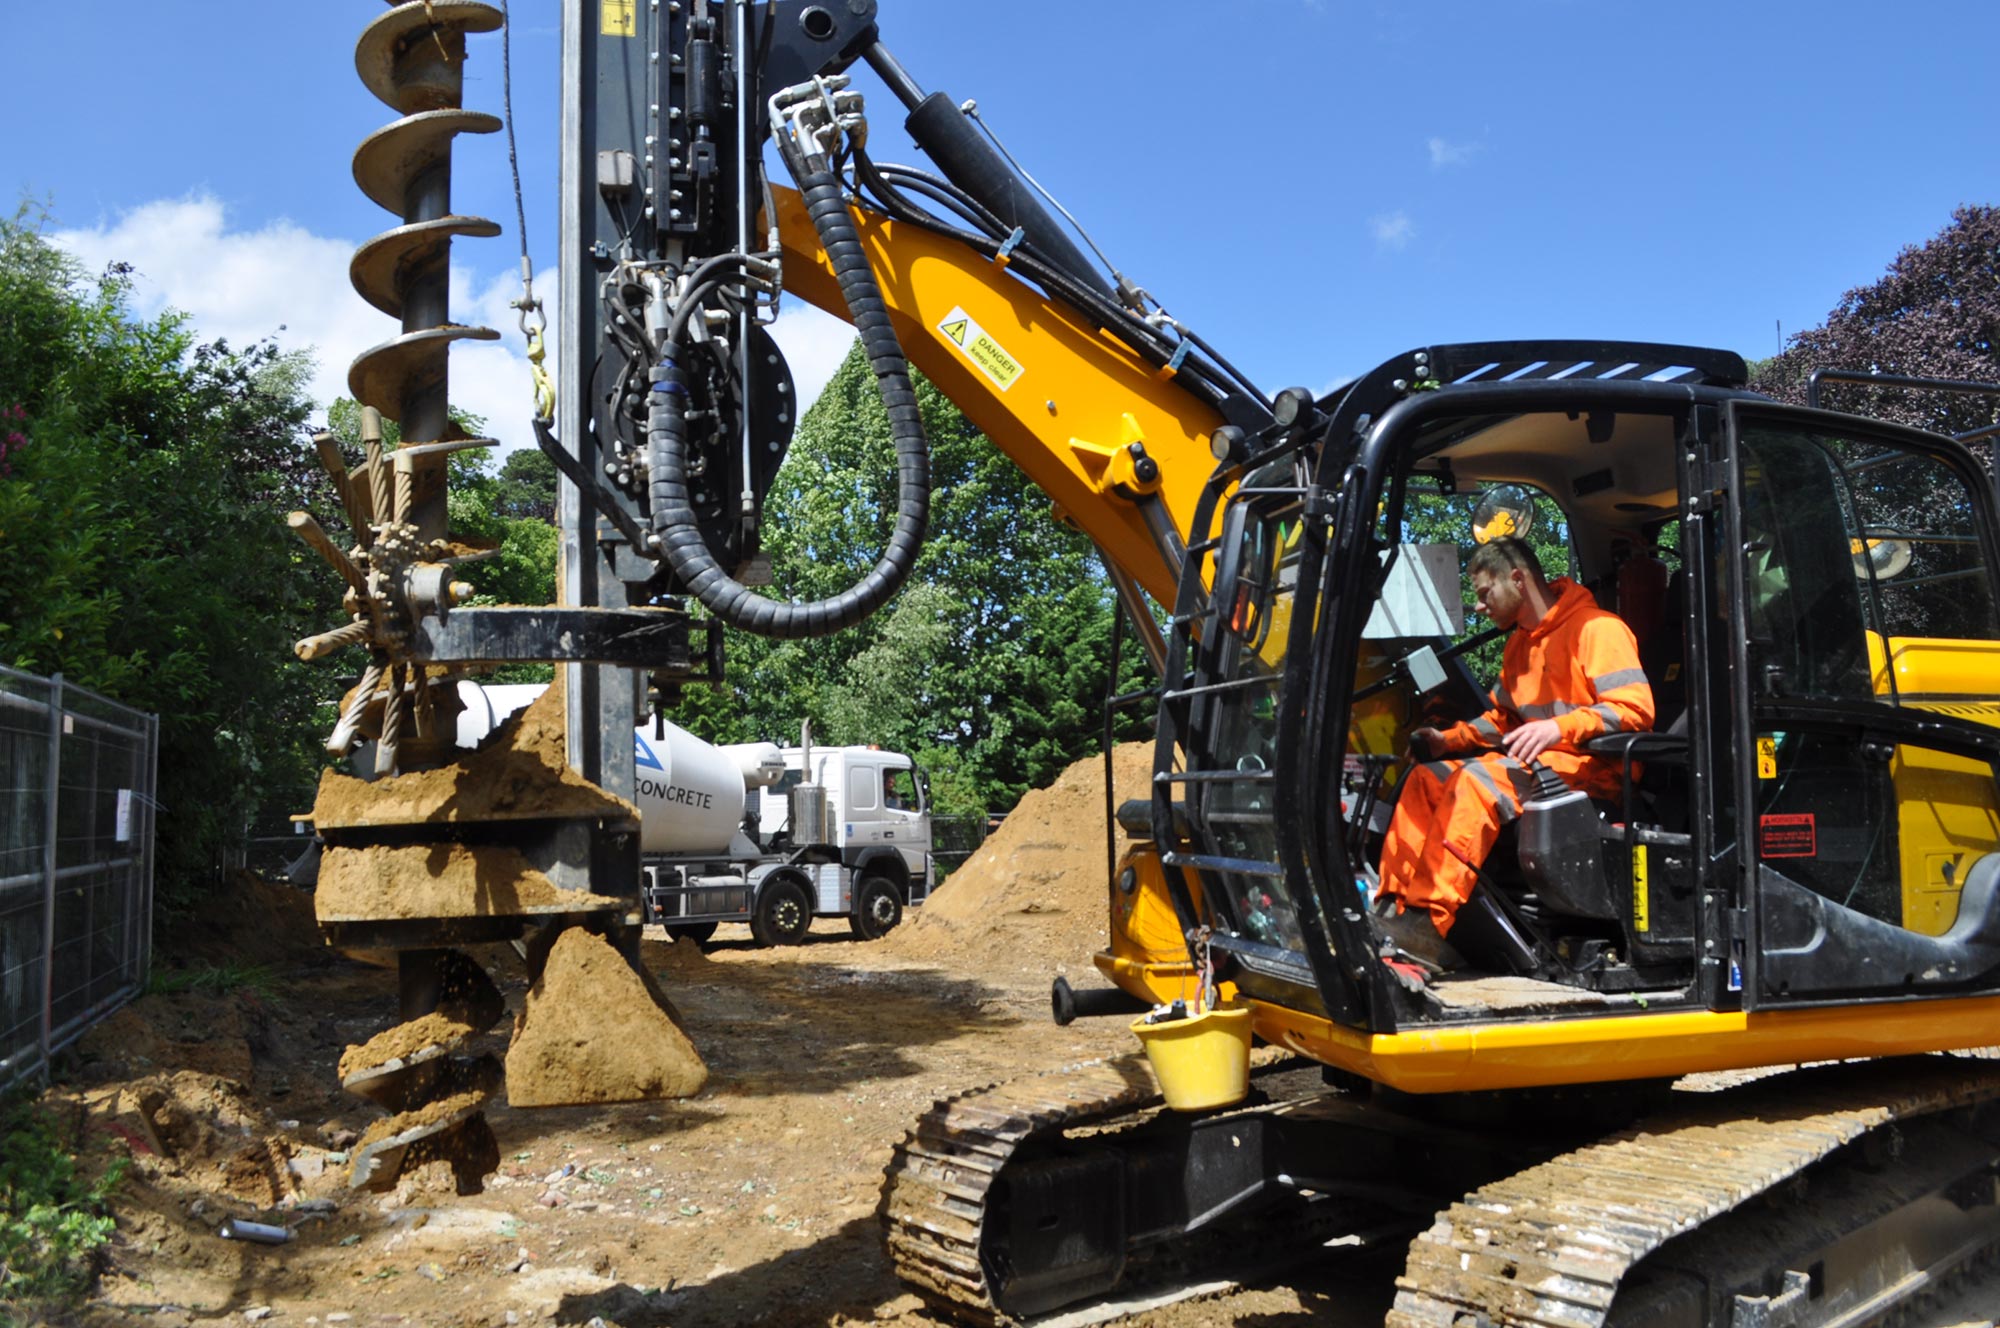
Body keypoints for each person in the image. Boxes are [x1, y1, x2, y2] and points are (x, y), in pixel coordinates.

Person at [1374, 537, 1654, 966]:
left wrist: (1557, 727)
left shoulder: (1597, 629)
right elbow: (1502, 720)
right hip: (1542, 768)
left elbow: (1635, 710)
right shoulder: (1519, 646)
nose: (1480, 606)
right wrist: (1445, 741)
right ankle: (1395, 908)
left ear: (1518, 580)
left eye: (1485, 593)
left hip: (1595, 772)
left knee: (1474, 782)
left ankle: (1429, 925)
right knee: (1426, 778)